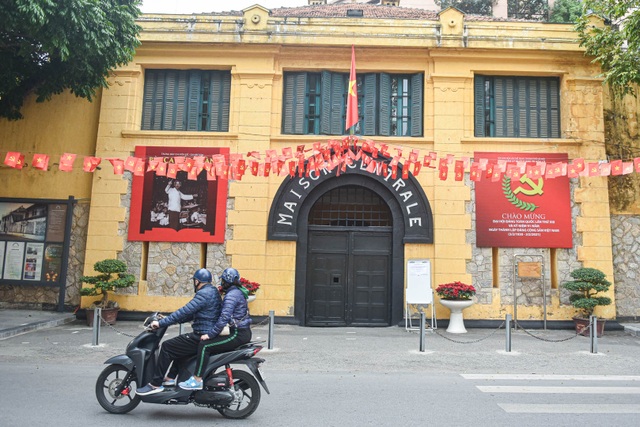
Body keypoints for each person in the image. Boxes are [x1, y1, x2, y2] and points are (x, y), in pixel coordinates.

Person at [136, 268, 221, 396]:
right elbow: (191, 315)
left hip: (201, 335)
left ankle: (155, 384)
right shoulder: (212, 291)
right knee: (179, 346)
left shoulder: (204, 294)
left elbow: (184, 311)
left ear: (197, 281)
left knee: (167, 346)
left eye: (194, 281)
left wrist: (160, 323)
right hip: (206, 333)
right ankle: (170, 378)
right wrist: (169, 320)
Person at [178, 267, 252, 390]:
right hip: (242, 332)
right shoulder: (237, 292)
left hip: (237, 334)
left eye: (223, 281)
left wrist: (210, 335)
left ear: (226, 281)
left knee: (205, 345)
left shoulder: (231, 296)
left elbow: (224, 318)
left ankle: (197, 379)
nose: (221, 283)